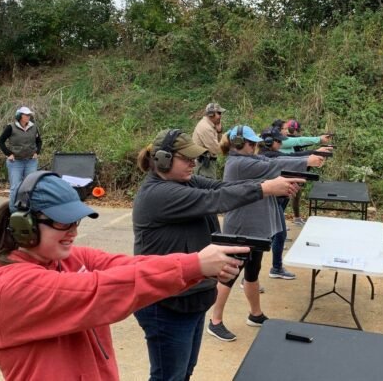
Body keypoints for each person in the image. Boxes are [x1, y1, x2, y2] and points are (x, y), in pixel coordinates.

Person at [0, 172, 246, 381]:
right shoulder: (8, 286)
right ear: (25, 226)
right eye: (62, 222)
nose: (73, 232)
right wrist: (194, 265)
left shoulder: (66, 259)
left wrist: (197, 268)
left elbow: (130, 267)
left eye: (75, 222)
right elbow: (99, 290)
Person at [132, 128, 303, 380]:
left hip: (189, 298)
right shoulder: (158, 194)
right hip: (165, 303)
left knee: (184, 372)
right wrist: (266, 188)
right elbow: (217, 199)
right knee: (169, 377)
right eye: (186, 158)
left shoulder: (184, 181)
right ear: (162, 159)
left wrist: (269, 184)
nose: (194, 163)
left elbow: (224, 187)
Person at [207, 125, 324, 343]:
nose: (255, 146)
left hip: (256, 227)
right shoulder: (239, 163)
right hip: (242, 227)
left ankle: (255, 314)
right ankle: (215, 321)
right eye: (251, 143)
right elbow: (274, 164)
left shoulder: (251, 160)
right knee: (229, 275)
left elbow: (273, 164)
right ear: (239, 144)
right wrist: (307, 161)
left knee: (252, 272)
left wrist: (299, 169)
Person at [258, 126, 331, 272]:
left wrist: (314, 153)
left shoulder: (270, 153)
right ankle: (269, 271)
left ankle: (272, 269)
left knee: (275, 235)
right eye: (278, 141)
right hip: (265, 201)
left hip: (271, 200)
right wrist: (313, 154)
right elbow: (292, 158)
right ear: (268, 142)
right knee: (272, 236)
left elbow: (292, 156)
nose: (280, 144)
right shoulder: (267, 156)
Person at [280, 119, 332, 225]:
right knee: (283, 200)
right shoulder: (284, 141)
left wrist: (317, 150)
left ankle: (285, 221)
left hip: (294, 173)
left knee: (287, 199)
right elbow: (300, 141)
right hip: (288, 174)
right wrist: (319, 140)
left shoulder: (289, 141)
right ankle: (283, 223)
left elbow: (301, 144)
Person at [0, 106, 42, 209]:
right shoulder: (11, 127)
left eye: (29, 115)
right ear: (19, 116)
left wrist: (37, 152)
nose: (28, 116)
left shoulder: (34, 127)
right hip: (15, 162)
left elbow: (39, 141)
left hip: (31, 161)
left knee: (30, 186)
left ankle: (29, 209)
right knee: (15, 188)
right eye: (26, 115)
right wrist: (9, 154)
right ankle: (13, 211)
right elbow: (0, 141)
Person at [191, 102, 225, 179]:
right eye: (219, 113)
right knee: (209, 188)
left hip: (206, 163)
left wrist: (219, 131)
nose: (220, 116)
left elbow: (218, 141)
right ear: (211, 114)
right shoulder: (206, 128)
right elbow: (216, 149)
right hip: (204, 165)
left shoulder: (210, 125)